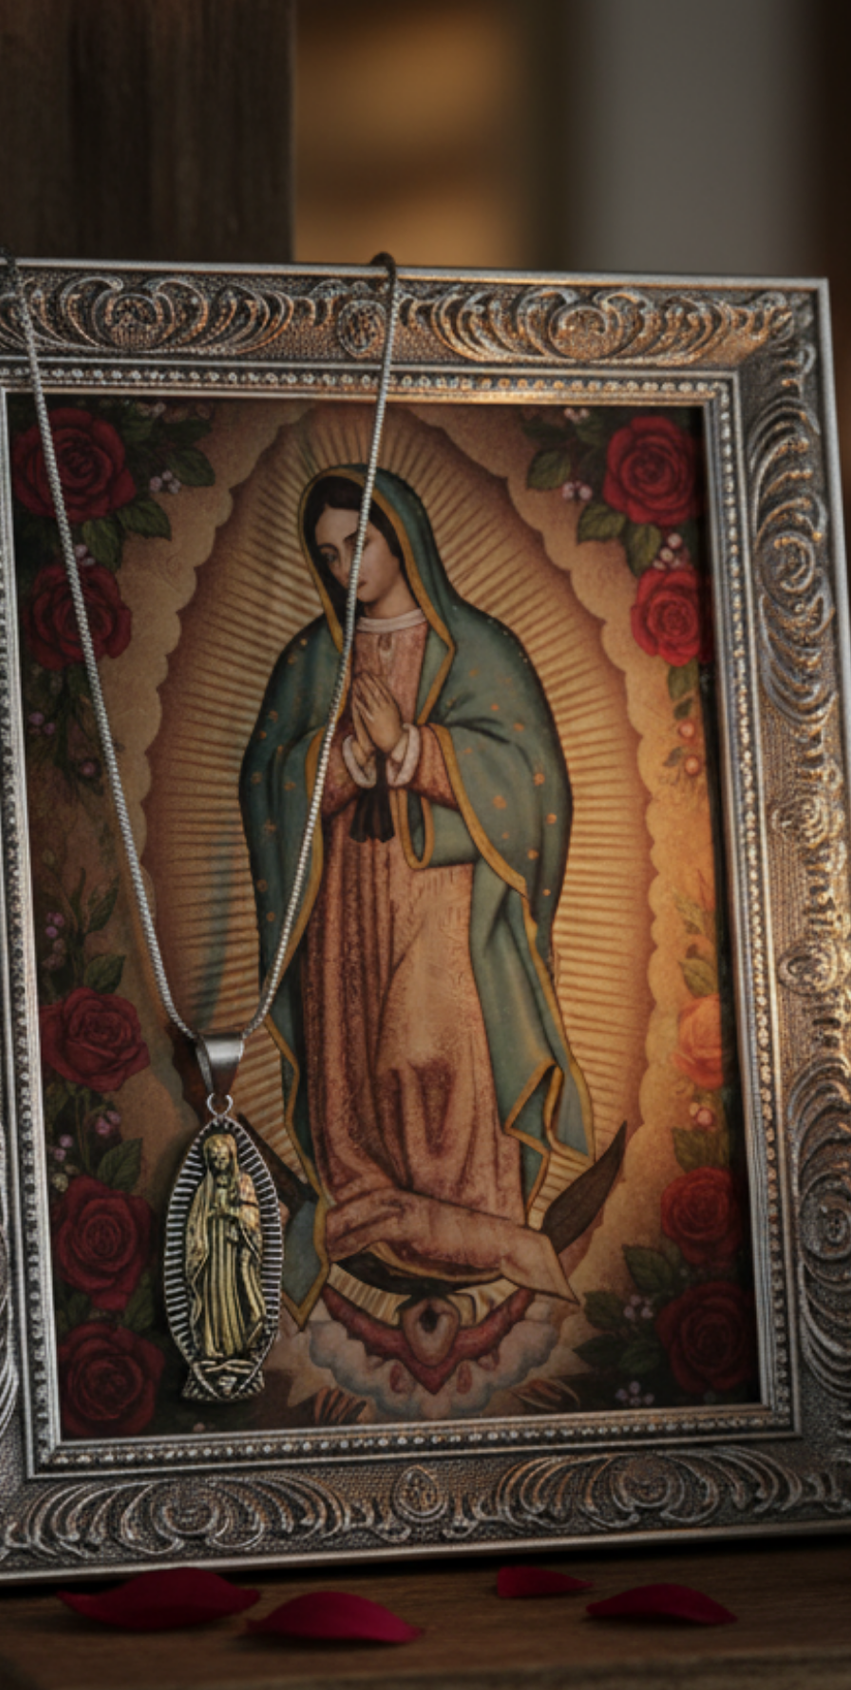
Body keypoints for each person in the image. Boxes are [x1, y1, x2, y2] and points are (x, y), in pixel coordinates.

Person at [240, 465, 591, 1324]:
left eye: (359, 543)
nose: (344, 568)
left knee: (429, 1055)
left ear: (403, 536)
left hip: (443, 894)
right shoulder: (313, 655)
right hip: (344, 899)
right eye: (327, 555)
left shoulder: (479, 648)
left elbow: (535, 784)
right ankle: (369, 1202)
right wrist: (348, 763)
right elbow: (264, 783)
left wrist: (416, 751)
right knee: (358, 1065)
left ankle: (471, 1215)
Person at [183, 1129, 265, 1362]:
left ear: (232, 1157)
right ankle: (210, 1346)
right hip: (210, 1248)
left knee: (230, 1291)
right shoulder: (204, 1188)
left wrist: (228, 1211)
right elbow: (194, 1222)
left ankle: (234, 1346)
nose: (219, 1163)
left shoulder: (242, 1182)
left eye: (223, 1158)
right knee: (211, 1292)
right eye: (214, 1159)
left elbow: (252, 1218)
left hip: (231, 1249)